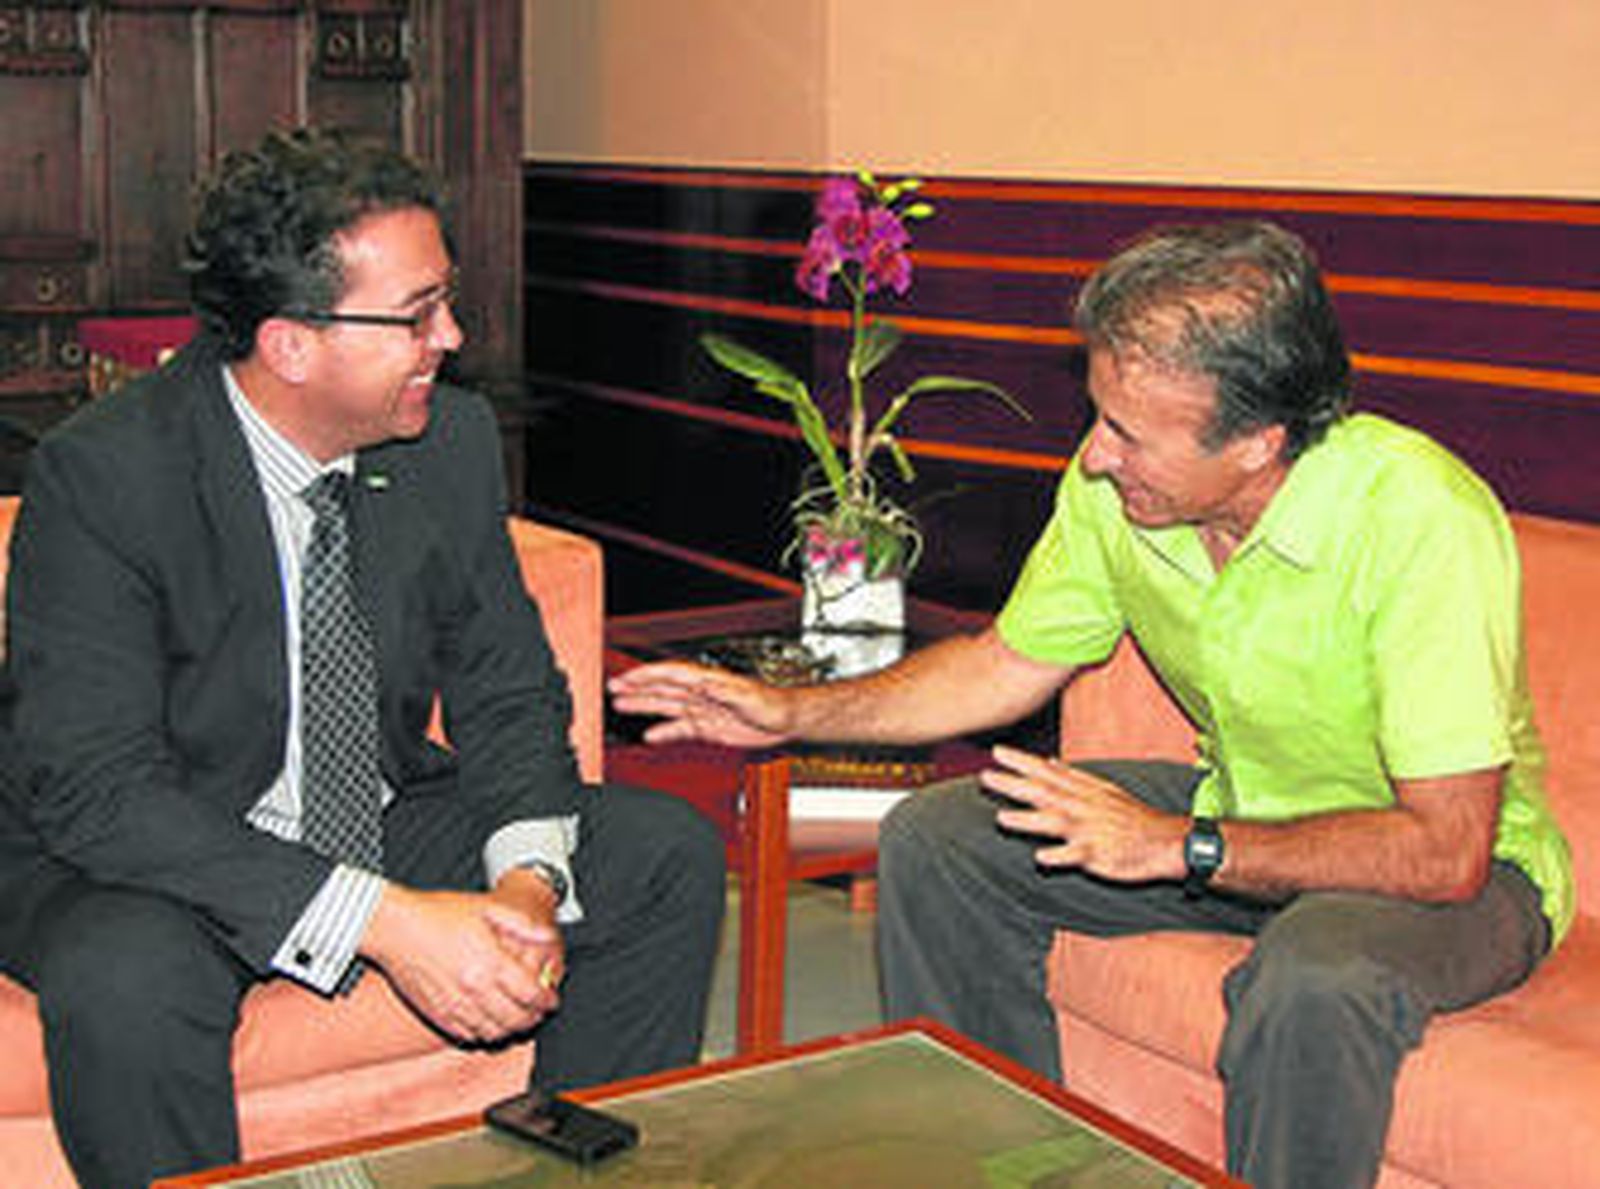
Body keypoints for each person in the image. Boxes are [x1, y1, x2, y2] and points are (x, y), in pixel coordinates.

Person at [610, 220, 1573, 1189]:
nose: (1096, 455)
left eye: (1128, 433)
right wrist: (789, 712)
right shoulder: (1119, 496)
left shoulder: (1419, 520)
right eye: (1099, 414)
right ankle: (1001, 1167)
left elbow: (1443, 850)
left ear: (1258, 443)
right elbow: (1000, 664)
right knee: (945, 840)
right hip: (1244, 810)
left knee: (1314, 974)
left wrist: (1177, 844)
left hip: (1460, 875)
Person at [0, 127, 724, 1189]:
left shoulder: (448, 443)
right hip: (148, 852)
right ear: (292, 344)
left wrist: (526, 885)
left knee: (661, 855)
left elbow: (508, 689)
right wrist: (387, 924)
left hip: (367, 810)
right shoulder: (108, 478)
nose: (453, 335)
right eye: (416, 314)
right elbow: (101, 794)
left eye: (447, 301)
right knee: (125, 977)